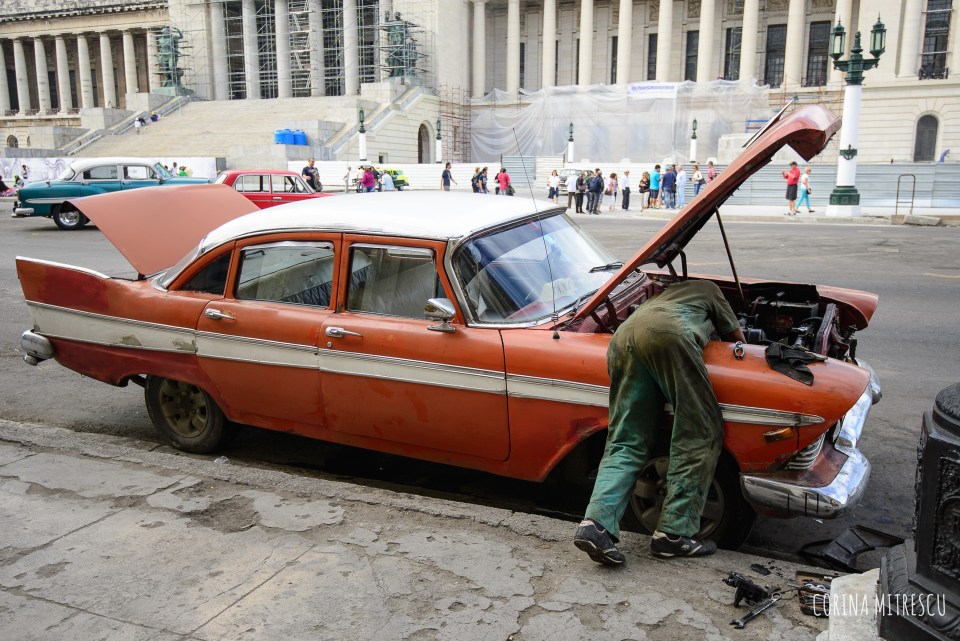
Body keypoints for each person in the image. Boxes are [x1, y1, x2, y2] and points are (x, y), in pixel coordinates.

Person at [573, 279, 745, 565]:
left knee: (626, 439)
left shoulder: (662, 295)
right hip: (669, 337)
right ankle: (674, 535)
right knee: (699, 430)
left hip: (623, 340)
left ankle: (595, 525)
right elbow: (736, 339)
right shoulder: (711, 290)